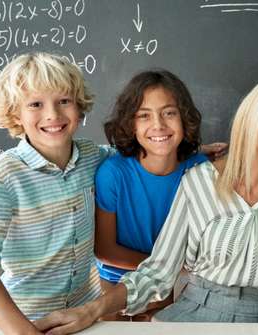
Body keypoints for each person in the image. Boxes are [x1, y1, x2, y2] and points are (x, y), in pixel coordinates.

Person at [35, 75, 258, 334]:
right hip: (197, 313)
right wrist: (91, 310)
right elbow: (158, 270)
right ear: (253, 116)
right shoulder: (198, 179)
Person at [0, 52, 109, 335]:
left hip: (83, 318)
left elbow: (142, 159)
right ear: (16, 114)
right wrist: (25, 332)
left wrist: (190, 156)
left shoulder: (92, 156)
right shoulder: (0, 179)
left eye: (64, 101)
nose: (53, 114)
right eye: (35, 104)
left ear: (79, 106)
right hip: (22, 324)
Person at [94, 69, 226, 321]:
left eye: (169, 113)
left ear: (184, 118)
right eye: (144, 115)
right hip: (114, 287)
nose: (158, 125)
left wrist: (172, 272)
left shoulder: (200, 169)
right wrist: (166, 265)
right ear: (130, 124)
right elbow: (105, 250)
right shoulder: (113, 173)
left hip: (176, 288)